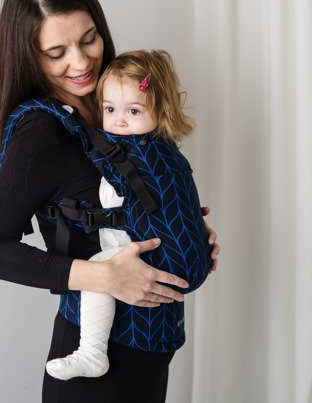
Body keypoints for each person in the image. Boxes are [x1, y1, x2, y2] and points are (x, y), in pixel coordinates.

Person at [0, 0, 221, 403]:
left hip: (148, 350)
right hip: (95, 366)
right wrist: (105, 276)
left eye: (89, 39)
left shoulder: (114, 100)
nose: (81, 62)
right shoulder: (40, 132)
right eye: (56, 52)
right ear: (29, 56)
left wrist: (185, 228)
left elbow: (130, 201)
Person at [45, 48, 212, 381]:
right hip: (164, 270)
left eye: (133, 110)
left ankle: (92, 352)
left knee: (96, 271)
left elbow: (93, 151)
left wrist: (65, 119)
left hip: (145, 259)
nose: (119, 120)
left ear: (162, 111)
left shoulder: (136, 153)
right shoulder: (163, 151)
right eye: (109, 109)